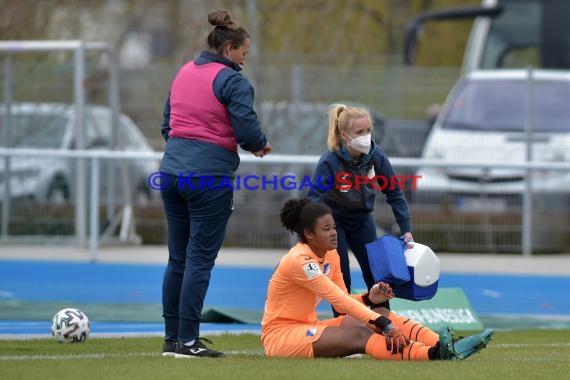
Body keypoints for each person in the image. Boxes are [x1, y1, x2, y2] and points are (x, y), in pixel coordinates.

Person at [159, 9, 272, 358]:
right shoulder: (233, 81)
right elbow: (247, 130)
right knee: (199, 260)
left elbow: (168, 124)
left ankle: (172, 339)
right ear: (228, 50)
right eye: (243, 53)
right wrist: (258, 145)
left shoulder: (183, 72)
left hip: (171, 172)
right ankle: (189, 341)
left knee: (177, 259)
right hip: (208, 177)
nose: (245, 59)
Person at [261, 198, 494, 361]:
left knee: (381, 313)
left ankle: (446, 345)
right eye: (326, 229)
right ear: (309, 234)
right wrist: (384, 326)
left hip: (308, 327)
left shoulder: (331, 254)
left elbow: (342, 303)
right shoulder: (300, 261)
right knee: (363, 333)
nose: (333, 233)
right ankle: (432, 355)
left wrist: (369, 298)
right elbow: (339, 301)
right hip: (281, 337)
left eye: (334, 227)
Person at [307, 104, 413, 308]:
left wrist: (406, 229)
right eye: (359, 132)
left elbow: (394, 192)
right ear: (345, 135)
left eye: (368, 130)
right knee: (341, 278)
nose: (366, 136)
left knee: (377, 276)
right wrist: (312, 235)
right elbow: (313, 200)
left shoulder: (376, 156)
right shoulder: (329, 162)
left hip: (362, 221)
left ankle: (384, 325)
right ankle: (344, 328)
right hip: (334, 224)